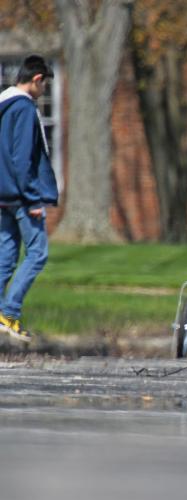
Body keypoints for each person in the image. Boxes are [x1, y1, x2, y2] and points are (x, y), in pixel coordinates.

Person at [0, 55, 57, 343]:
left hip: (3, 195)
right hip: (22, 197)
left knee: (7, 256)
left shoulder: (3, 104)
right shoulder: (22, 107)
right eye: (45, 83)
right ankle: (9, 313)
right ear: (36, 79)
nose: (44, 89)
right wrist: (33, 199)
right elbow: (21, 157)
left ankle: (0, 313)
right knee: (37, 254)